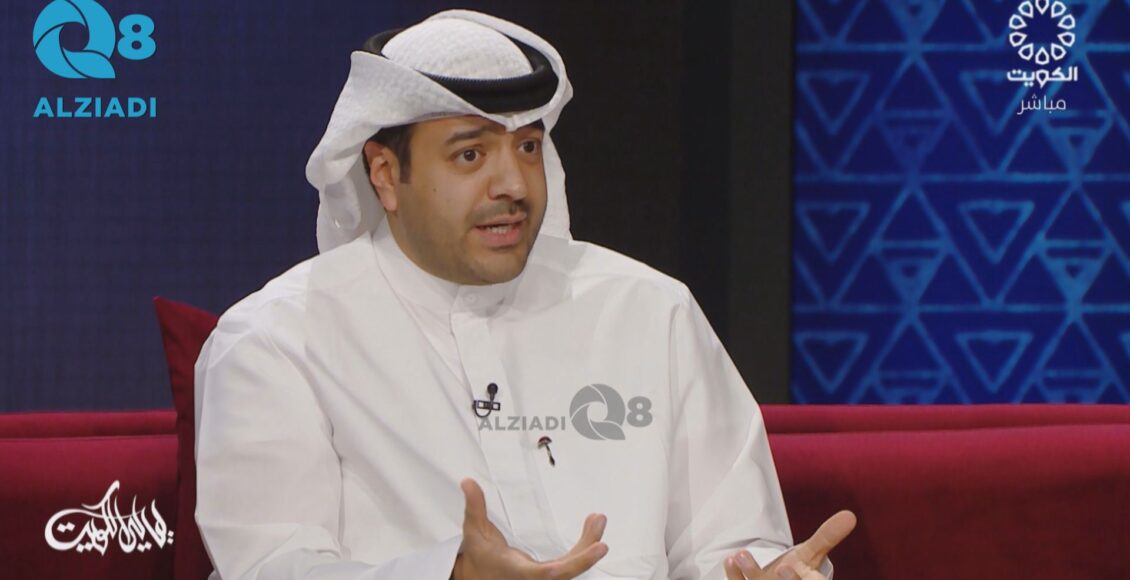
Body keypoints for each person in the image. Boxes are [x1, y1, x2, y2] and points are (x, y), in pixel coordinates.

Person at [193, 9, 854, 580]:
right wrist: (450, 574)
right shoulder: (278, 343)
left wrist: (761, 570)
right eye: (470, 155)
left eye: (529, 147)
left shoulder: (651, 311)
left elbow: (730, 540)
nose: (513, 184)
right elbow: (271, 565)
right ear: (386, 175)